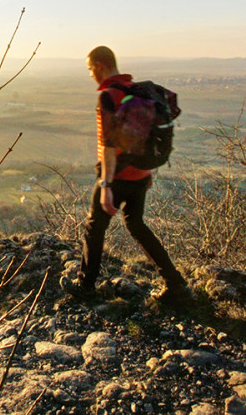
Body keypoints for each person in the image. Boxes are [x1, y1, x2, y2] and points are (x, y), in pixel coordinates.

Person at [61, 45, 190, 304]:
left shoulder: (109, 95)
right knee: (137, 225)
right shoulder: (137, 90)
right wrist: (146, 170)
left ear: (99, 66)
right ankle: (176, 284)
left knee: (94, 227)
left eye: (89, 69)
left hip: (117, 174)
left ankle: (86, 286)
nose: (90, 75)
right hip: (140, 174)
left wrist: (106, 184)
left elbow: (109, 144)